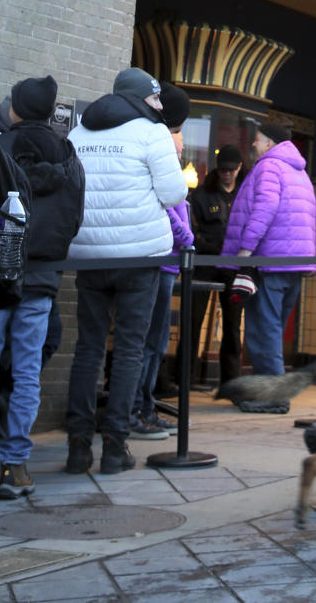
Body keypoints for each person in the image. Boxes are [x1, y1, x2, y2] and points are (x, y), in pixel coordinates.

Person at [0, 74, 86, 499]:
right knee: (27, 371)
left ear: (15, 107)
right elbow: (73, 220)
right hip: (41, 279)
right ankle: (15, 467)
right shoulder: (70, 157)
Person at [65, 67, 187, 474]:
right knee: (130, 349)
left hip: (88, 255)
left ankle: (78, 447)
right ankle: (115, 448)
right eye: (155, 99)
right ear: (140, 98)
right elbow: (173, 193)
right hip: (139, 257)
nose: (159, 106)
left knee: (88, 349)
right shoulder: (152, 133)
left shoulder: (79, 132)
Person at [220, 117, 316, 406]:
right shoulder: (298, 171)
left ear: (270, 144)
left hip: (268, 261)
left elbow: (265, 208)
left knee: (263, 329)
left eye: (258, 139)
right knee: (273, 327)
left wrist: (246, 251)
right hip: (294, 263)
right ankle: (275, 393)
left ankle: (273, 398)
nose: (253, 143)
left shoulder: (269, 166)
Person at [131, 83, 193, 437]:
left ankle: (143, 406)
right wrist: (187, 239)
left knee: (152, 341)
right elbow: (165, 204)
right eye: (179, 131)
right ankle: (139, 409)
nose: (183, 141)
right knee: (149, 342)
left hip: (163, 260)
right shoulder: (158, 148)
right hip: (162, 258)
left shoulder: (158, 147)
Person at [187, 144, 244, 389]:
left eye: (231, 170)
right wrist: (207, 245)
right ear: (217, 170)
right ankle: (184, 378)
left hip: (232, 265)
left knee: (232, 326)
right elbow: (192, 230)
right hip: (205, 262)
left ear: (239, 168)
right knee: (193, 321)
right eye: (223, 170)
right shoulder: (202, 194)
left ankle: (230, 382)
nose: (227, 174)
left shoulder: (244, 194)